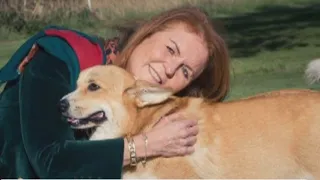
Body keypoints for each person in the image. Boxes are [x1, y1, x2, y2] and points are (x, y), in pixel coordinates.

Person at [0, 6, 230, 178]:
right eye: (170, 49)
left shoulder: (150, 118)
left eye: (186, 71)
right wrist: (146, 145)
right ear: (147, 33)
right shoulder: (62, 57)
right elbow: (50, 161)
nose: (169, 69)